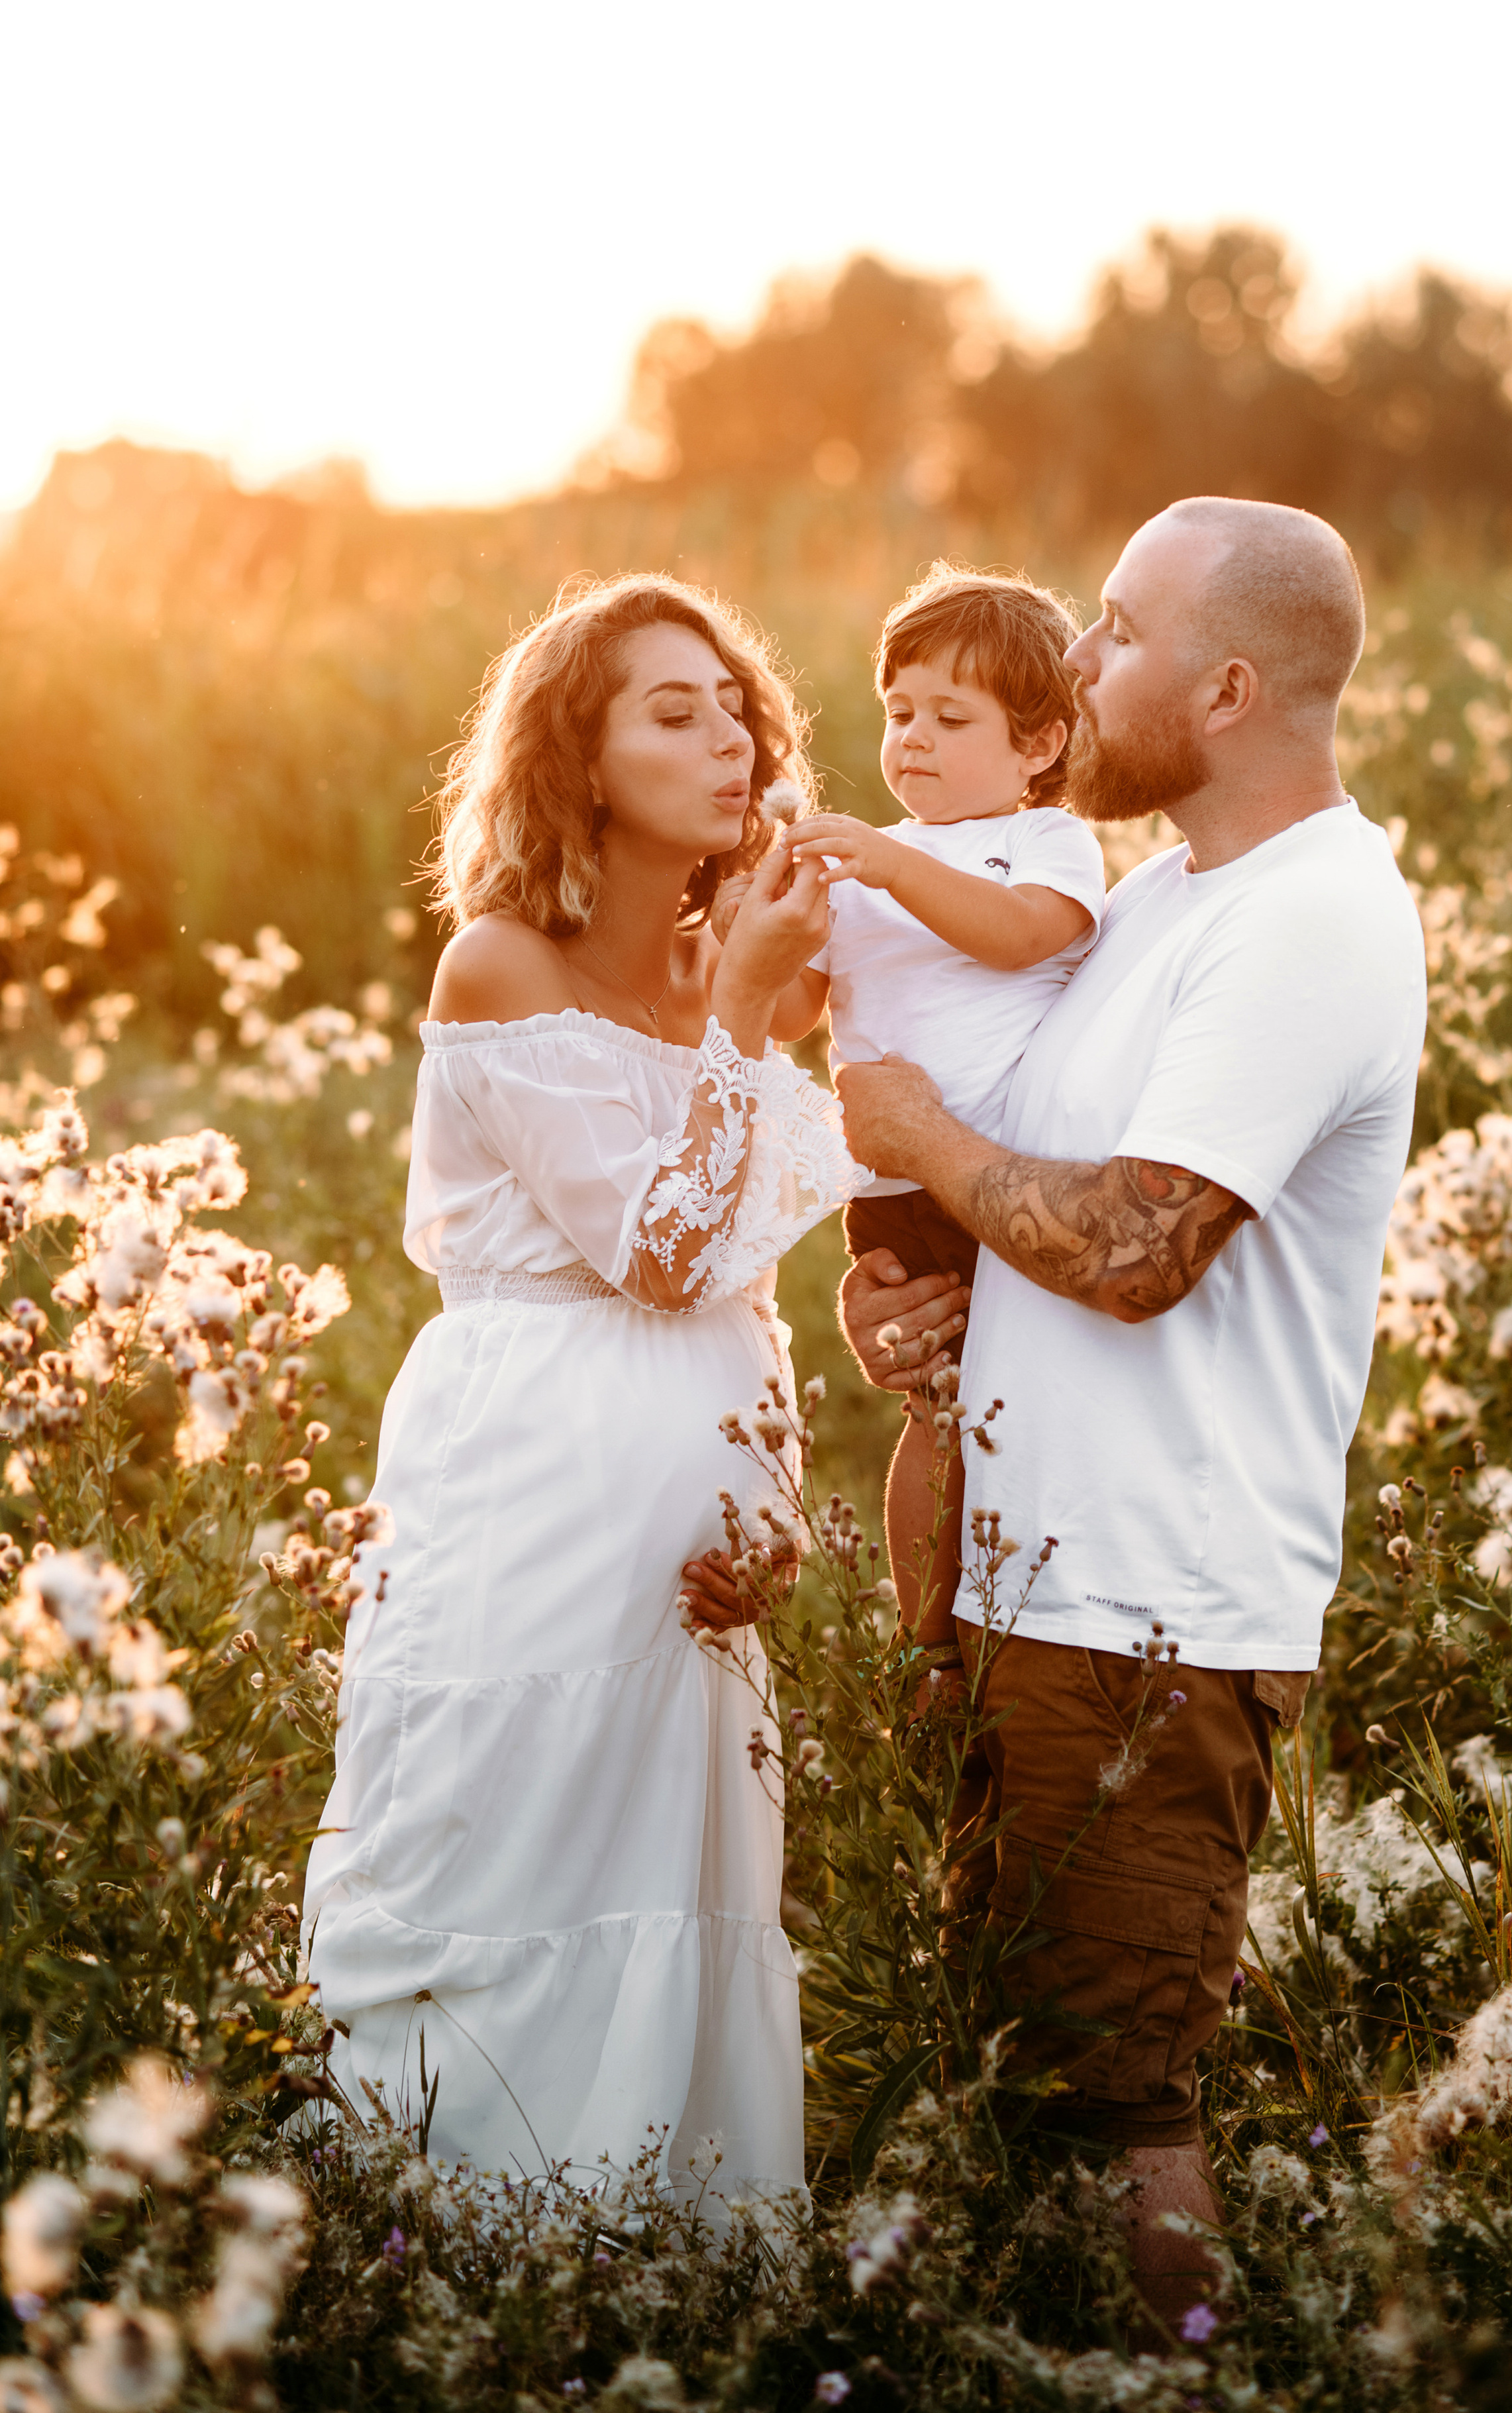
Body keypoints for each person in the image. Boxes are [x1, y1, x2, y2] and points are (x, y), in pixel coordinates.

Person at [831, 499, 1427, 2325]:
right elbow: (1038, 1195)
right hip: (1033, 1591)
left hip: (1152, 1613)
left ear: (1230, 685)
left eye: (1114, 631)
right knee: (1020, 2073)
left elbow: (1144, 1243)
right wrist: (908, 1296)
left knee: (1118, 2109)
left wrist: (925, 1137)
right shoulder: (1158, 894)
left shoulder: (1313, 917)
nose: (1076, 666)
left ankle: (1178, 2377)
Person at [301, 574, 862, 2207]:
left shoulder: (734, 970)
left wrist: (765, 1500)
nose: (727, 736)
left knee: (668, 1872)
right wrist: (749, 1011)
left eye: (735, 704)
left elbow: (743, 1294)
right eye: (667, 711)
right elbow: (662, 1255)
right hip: (528, 1482)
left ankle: (657, 2280)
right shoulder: (503, 966)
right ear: (579, 757)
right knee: (510, 1850)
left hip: (686, 1530)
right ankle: (454, 2259)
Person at [746, 564, 1105, 1651]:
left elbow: (1019, 936)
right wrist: (761, 935)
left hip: (1010, 1175)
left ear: (1038, 746)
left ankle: (1036, 1619)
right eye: (900, 712)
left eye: (953, 718)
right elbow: (800, 1013)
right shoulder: (861, 869)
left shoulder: (1047, 845)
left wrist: (893, 865)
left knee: (1033, 1410)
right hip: (901, 1189)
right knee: (938, 1413)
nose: (914, 740)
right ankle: (928, 1639)